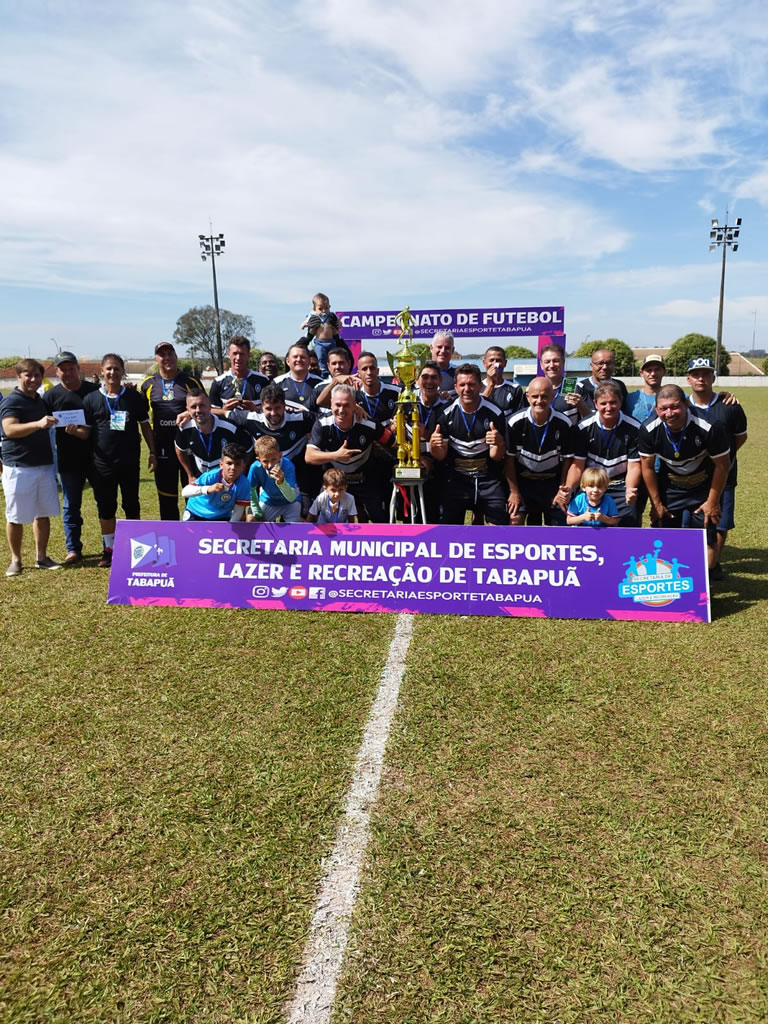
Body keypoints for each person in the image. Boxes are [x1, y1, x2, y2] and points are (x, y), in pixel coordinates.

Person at [637, 384, 731, 572]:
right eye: (663, 408)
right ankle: (669, 583)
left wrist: (712, 502)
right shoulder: (648, 429)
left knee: (707, 533)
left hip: (703, 485)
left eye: (674, 406)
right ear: (656, 409)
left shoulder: (709, 425)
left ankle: (701, 586)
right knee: (663, 533)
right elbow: (647, 466)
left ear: (687, 404)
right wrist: (656, 503)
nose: (669, 413)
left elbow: (723, 465)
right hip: (670, 485)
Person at [83, 354, 157, 568]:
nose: (112, 373)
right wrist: (71, 431)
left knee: (131, 505)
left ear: (122, 371)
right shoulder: (91, 400)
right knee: (106, 508)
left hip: (129, 461)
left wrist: (152, 452)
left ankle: (136, 549)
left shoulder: (134, 398)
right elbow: (86, 432)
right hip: (102, 464)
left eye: (116, 368)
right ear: (102, 371)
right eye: (108, 369)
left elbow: (145, 426)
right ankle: (109, 549)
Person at [686, 357, 748, 578]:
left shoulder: (730, 406)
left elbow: (740, 438)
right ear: (688, 378)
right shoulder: (681, 406)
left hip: (725, 474)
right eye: (696, 374)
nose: (700, 378)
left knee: (721, 522)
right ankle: (696, 564)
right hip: (694, 477)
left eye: (705, 373)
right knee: (696, 520)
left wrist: (723, 459)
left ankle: (712, 567)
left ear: (713, 377)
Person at [0, 358, 62, 575]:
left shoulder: (40, 400)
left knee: (42, 514)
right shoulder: (11, 400)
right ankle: (16, 560)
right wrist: (38, 424)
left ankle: (41, 557)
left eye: (37, 375)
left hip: (43, 465)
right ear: (19, 377)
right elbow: (9, 429)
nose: (33, 379)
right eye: (28, 375)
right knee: (16, 517)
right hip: (19, 466)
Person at [429, 363, 507, 525]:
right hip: (457, 479)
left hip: (488, 479)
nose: (467, 389)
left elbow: (496, 456)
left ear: (480, 386)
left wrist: (499, 444)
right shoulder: (444, 413)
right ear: (456, 387)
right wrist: (434, 447)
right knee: (449, 529)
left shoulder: (495, 412)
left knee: (499, 527)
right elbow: (440, 455)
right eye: (463, 385)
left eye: (472, 384)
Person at [305, 383, 394, 522]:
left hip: (364, 481)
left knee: (379, 517)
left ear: (355, 405)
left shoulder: (368, 424)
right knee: (317, 517)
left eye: (346, 405)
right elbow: (309, 457)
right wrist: (336, 455)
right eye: (337, 405)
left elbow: (394, 443)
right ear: (331, 404)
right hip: (335, 484)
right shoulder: (322, 424)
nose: (341, 410)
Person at [224, 383, 317, 516]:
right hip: (266, 484)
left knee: (305, 514)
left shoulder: (300, 418)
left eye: (278, 408)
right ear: (261, 407)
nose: (273, 413)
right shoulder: (252, 419)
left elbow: (325, 419)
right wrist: (188, 413)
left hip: (296, 475)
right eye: (268, 408)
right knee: (252, 518)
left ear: (285, 406)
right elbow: (223, 413)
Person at [41, 351, 99, 564]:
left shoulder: (94, 391)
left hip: (96, 458)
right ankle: (73, 549)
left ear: (78, 368)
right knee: (70, 507)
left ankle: (108, 547)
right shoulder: (51, 396)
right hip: (68, 460)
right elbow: (41, 422)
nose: (67, 372)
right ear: (57, 371)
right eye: (62, 369)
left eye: (70, 368)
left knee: (104, 504)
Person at [139, 342, 204, 519]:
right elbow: (142, 418)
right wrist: (151, 451)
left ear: (176, 356)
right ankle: (172, 541)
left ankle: (194, 538)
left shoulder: (191, 382)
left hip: (189, 448)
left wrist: (190, 412)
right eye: (162, 354)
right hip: (162, 449)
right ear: (156, 359)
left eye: (170, 353)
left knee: (193, 496)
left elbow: (205, 408)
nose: (167, 358)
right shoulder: (147, 384)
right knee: (167, 499)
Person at [566, 380, 642, 527]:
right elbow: (577, 466)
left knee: (627, 525)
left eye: (613, 402)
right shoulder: (582, 428)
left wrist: (629, 490)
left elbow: (634, 466)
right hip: (592, 486)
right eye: (603, 403)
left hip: (620, 485)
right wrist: (568, 489)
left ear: (621, 401)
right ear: (595, 403)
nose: (608, 408)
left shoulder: (635, 428)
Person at [505, 376, 573, 526]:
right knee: (514, 519)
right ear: (527, 397)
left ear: (553, 396)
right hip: (523, 481)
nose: (539, 401)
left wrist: (561, 490)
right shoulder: (514, 422)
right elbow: (508, 459)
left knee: (560, 525)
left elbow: (568, 460)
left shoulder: (564, 423)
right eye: (535, 396)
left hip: (551, 483)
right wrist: (514, 492)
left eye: (544, 396)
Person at [174, 389, 251, 484]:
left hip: (227, 480)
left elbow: (248, 450)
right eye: (193, 407)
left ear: (210, 405)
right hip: (200, 479)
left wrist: (239, 474)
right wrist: (190, 475)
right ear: (187, 409)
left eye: (202, 405)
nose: (198, 410)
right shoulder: (184, 428)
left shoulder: (230, 427)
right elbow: (180, 449)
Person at [181, 442, 250, 522]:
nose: (233, 468)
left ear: (243, 466)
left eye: (237, 464)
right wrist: (208, 489)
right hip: (196, 512)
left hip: (221, 517)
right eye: (229, 463)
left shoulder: (245, 484)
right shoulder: (210, 476)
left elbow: (238, 510)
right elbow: (184, 492)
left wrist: (230, 529)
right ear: (221, 464)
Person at [247, 435, 301, 522]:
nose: (270, 465)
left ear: (280, 455)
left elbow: (291, 497)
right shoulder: (255, 468)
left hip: (291, 503)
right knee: (253, 522)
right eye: (265, 461)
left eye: (273, 459)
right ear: (258, 460)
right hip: (268, 501)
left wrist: (282, 482)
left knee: (294, 533)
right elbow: (251, 490)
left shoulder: (288, 466)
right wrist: (257, 513)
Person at [208, 335, 269, 409]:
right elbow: (212, 412)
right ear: (228, 354)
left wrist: (255, 410)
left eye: (242, 354)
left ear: (248, 355)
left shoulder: (263, 380)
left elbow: (271, 410)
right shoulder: (218, 382)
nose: (238, 358)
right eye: (235, 353)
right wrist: (224, 410)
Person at [573, 348, 629, 418]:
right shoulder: (580, 387)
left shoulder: (619, 385)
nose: (605, 367)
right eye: (600, 363)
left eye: (609, 363)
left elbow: (625, 413)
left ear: (614, 365)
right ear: (591, 365)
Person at [274, 343, 324, 411]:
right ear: (288, 361)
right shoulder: (277, 383)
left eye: (303, 357)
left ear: (309, 361)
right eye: (295, 357)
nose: (299, 359)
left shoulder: (320, 383)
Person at [540, 343, 578, 425]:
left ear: (563, 362)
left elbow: (590, 417)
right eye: (547, 362)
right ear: (541, 365)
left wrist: (581, 405)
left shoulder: (575, 387)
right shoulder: (534, 389)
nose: (551, 365)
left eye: (556, 361)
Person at [481, 346, 525, 415]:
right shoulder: (477, 387)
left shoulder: (515, 388)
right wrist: (491, 383)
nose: (495, 364)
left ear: (505, 363)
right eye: (491, 360)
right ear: (484, 363)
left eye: (498, 360)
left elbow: (519, 415)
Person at [625, 354, 666, 422]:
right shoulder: (630, 398)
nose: (653, 374)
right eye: (649, 370)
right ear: (641, 373)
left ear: (664, 372)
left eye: (657, 369)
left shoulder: (673, 397)